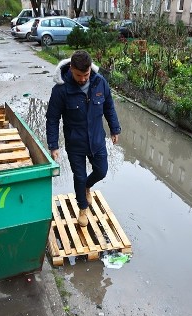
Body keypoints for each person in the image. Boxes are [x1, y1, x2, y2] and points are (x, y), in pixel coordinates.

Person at [46, 50, 121, 227]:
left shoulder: (100, 83)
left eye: (86, 74)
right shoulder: (61, 90)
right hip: (75, 143)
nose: (83, 79)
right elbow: (52, 118)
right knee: (79, 177)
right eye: (79, 75)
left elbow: (109, 106)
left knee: (101, 171)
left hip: (97, 139)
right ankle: (83, 208)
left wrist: (114, 129)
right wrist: (53, 145)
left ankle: (87, 186)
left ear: (90, 69)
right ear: (71, 68)